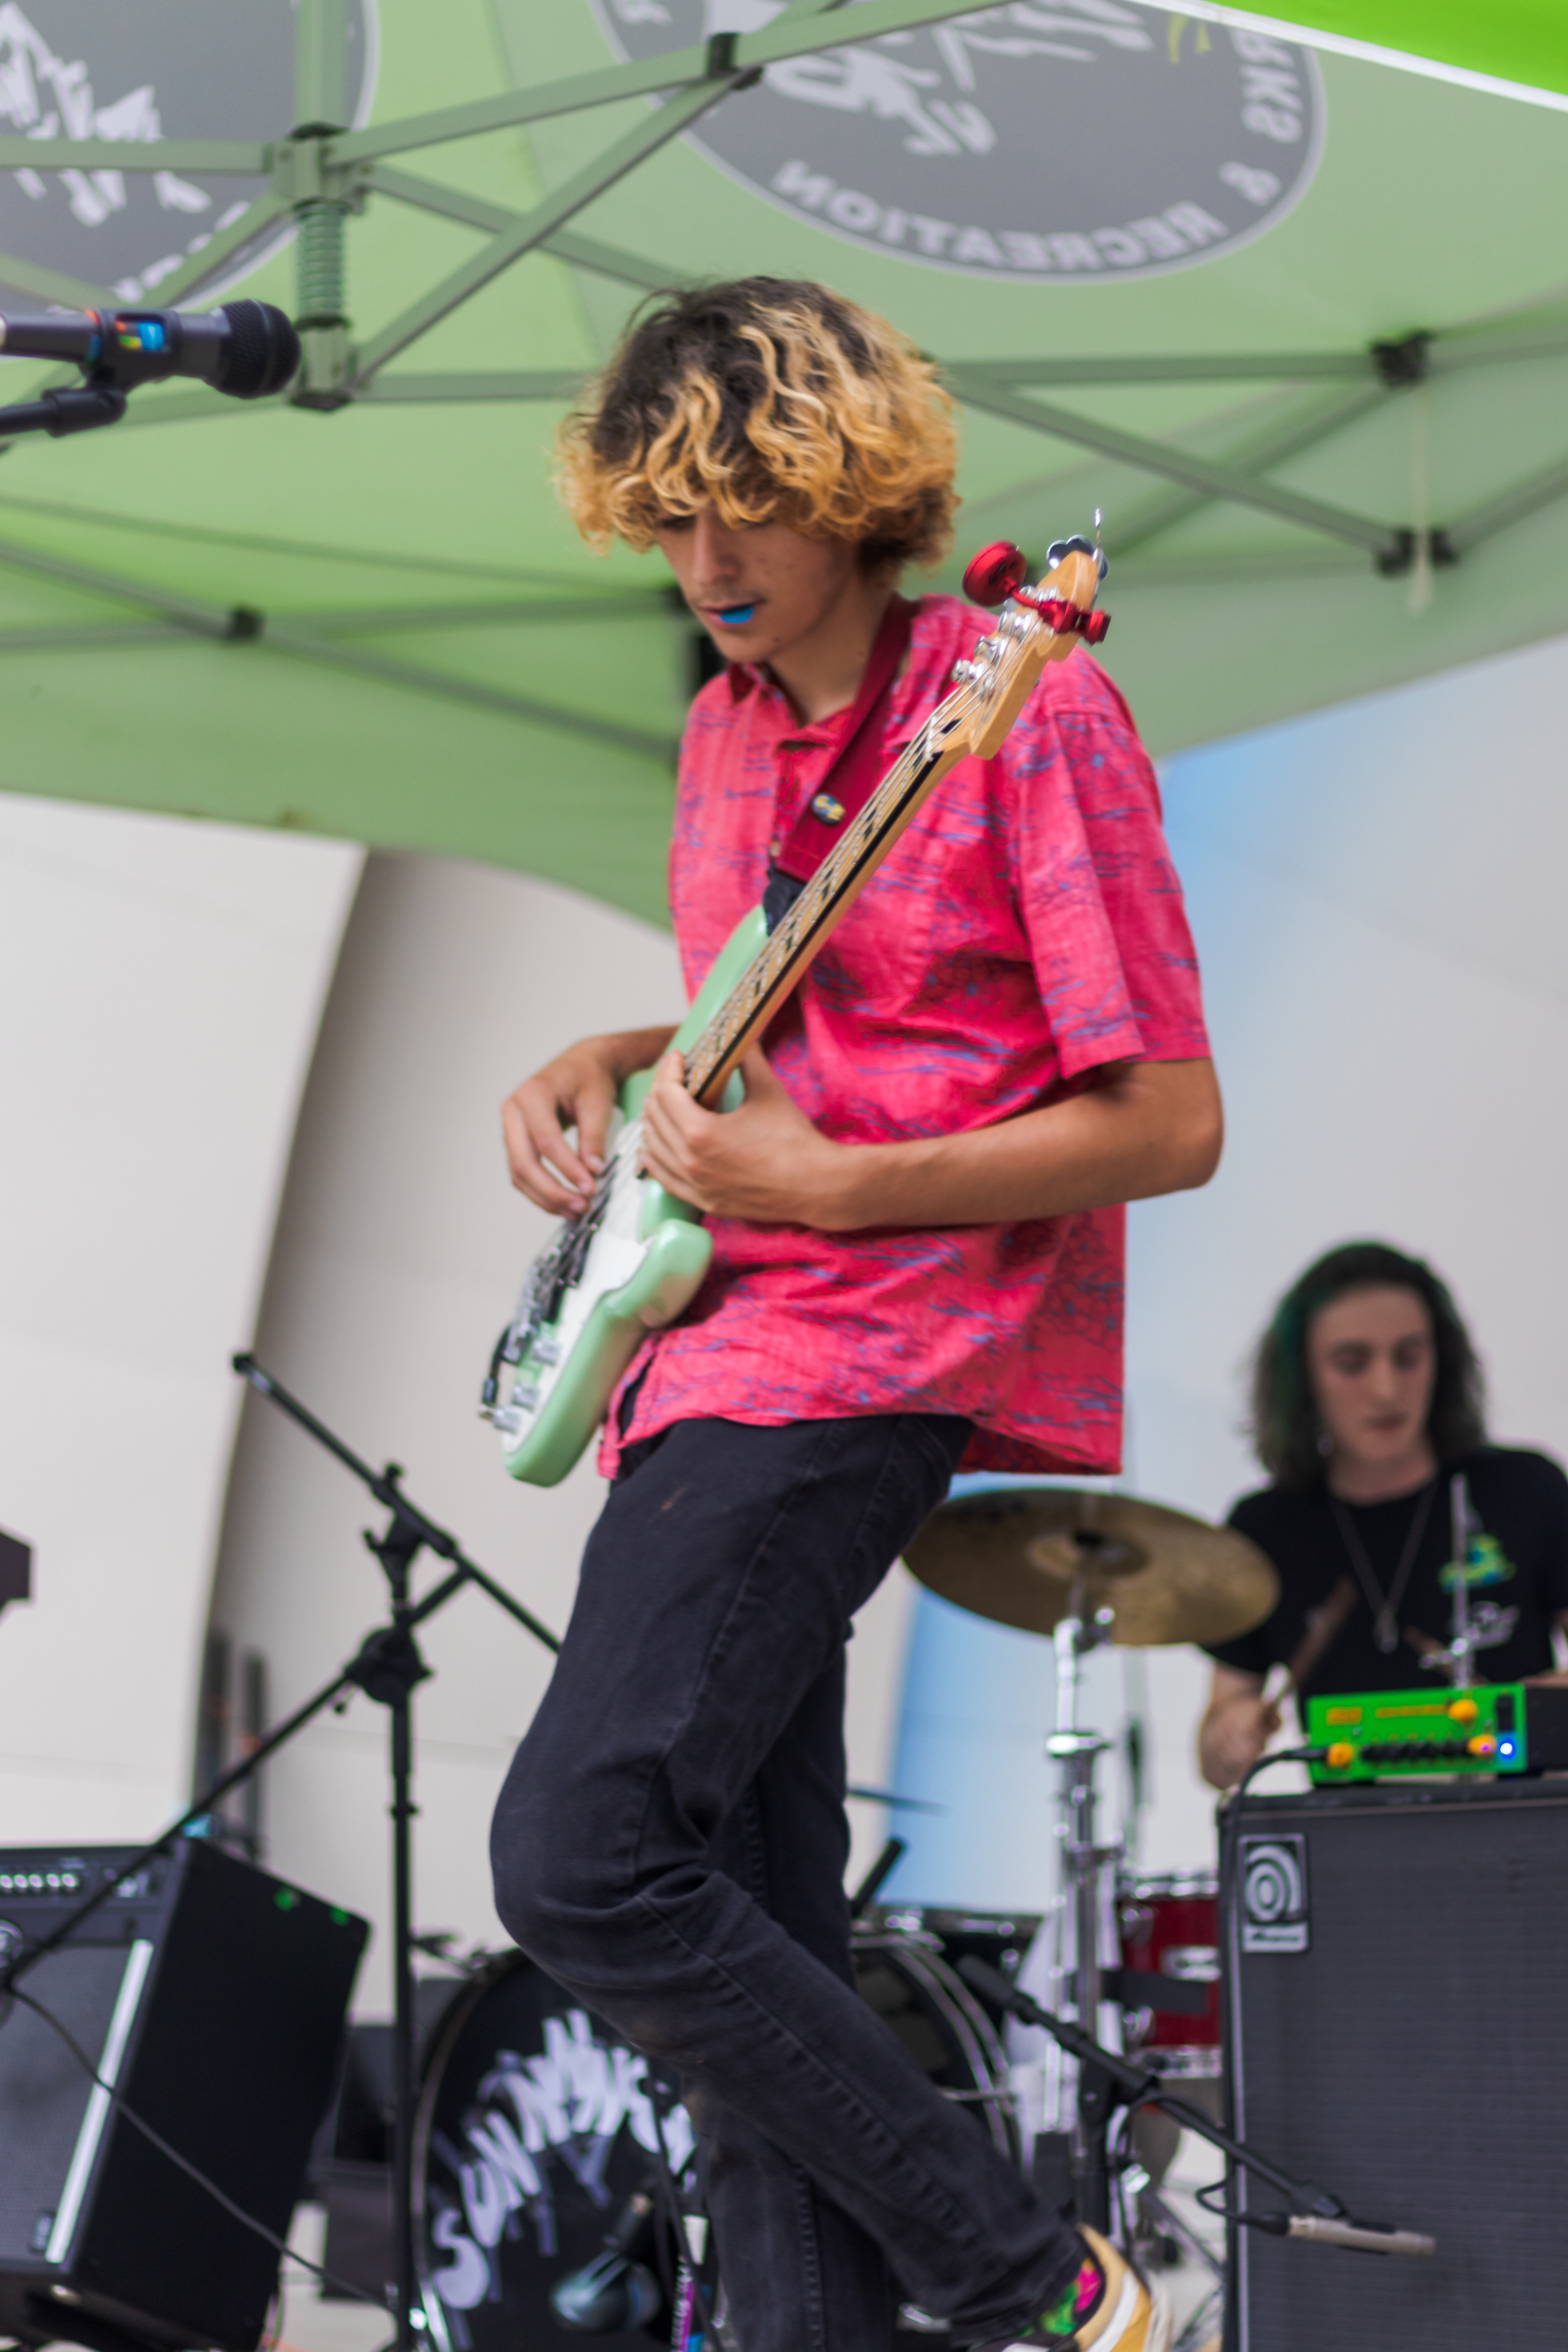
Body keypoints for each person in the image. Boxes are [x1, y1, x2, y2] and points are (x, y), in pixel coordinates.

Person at [489, 276, 1221, 2352]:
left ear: (858, 490)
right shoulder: (724, 726)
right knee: (749, 1964)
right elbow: (822, 1003)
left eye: (749, 504)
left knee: (583, 1856)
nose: (706, 559)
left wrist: (837, 1188)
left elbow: (1169, 1117)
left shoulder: (1031, 707)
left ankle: (1026, 2275)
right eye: (671, 513)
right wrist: (613, 1051)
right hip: (697, 1349)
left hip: (862, 1349)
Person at [1200, 1240, 1568, 1791]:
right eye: (1352, 1363)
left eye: (1409, 1357)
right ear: (1304, 1378)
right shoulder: (1266, 1529)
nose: (1386, 1389)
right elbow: (1213, 1757)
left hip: (1525, 1832)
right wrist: (1228, 1736)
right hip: (1350, 1855)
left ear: (1440, 1362)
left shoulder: (1526, 1488)